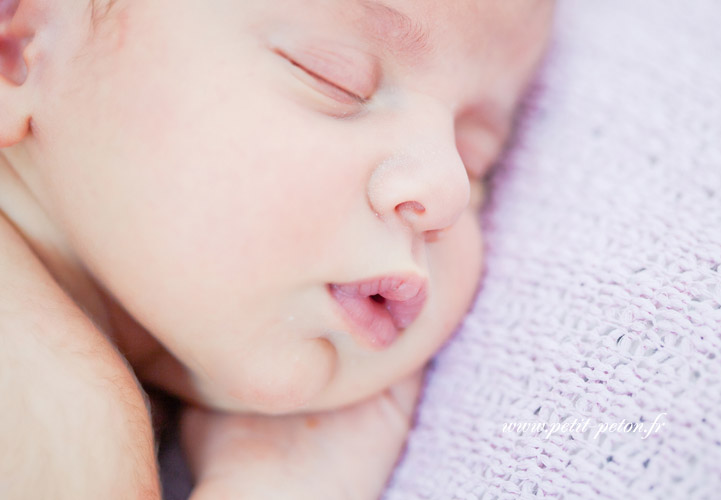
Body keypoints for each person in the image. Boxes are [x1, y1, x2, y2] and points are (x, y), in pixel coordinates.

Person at [0, 0, 555, 497]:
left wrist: (290, 479)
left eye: (476, 160)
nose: (449, 191)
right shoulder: (54, 400)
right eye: (338, 80)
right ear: (19, 50)